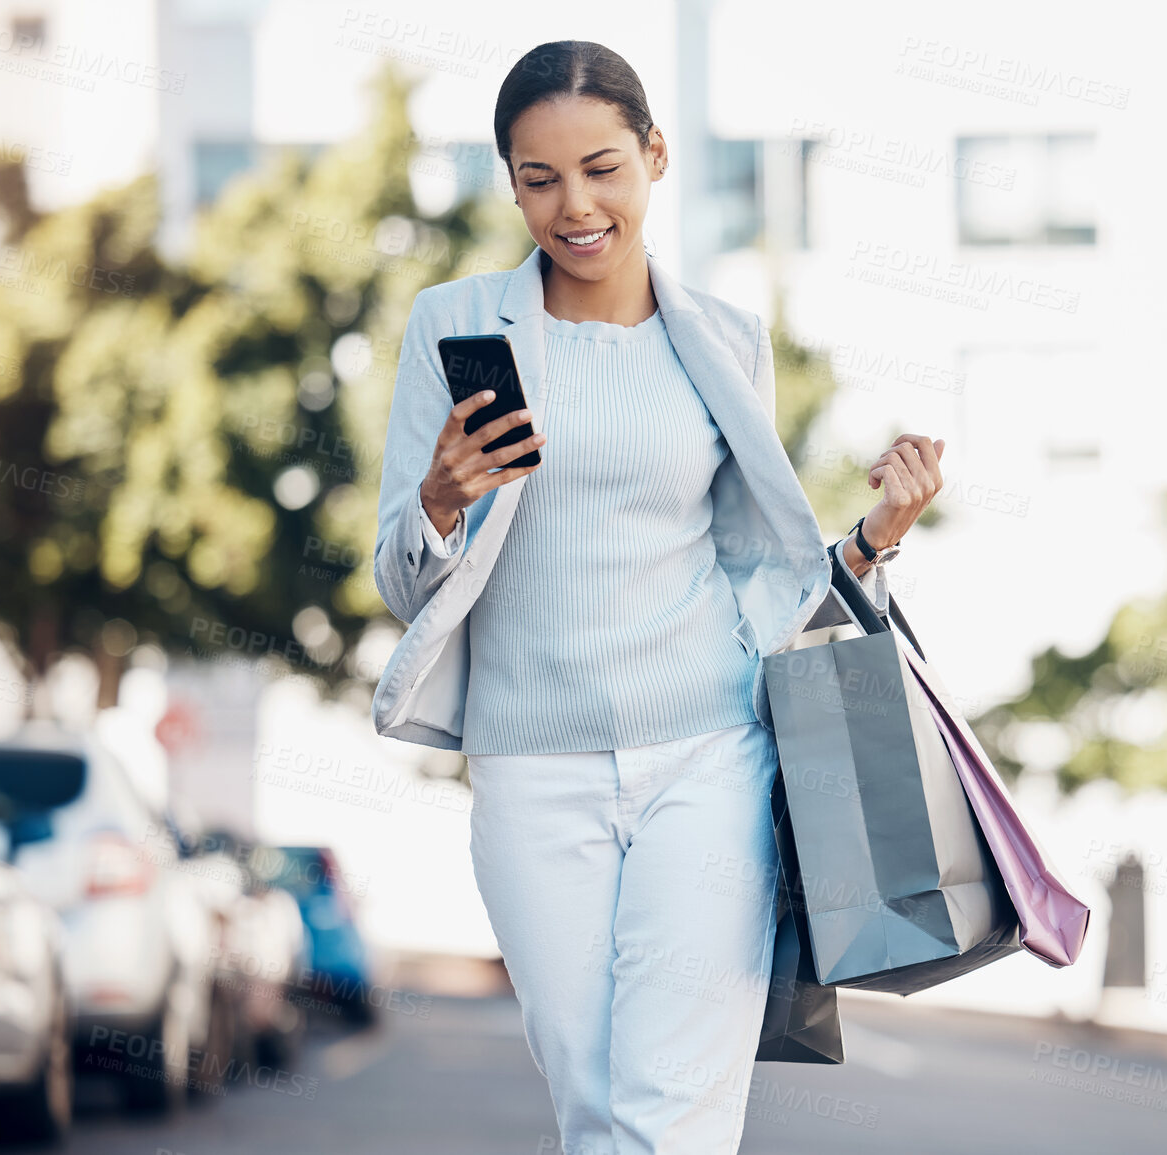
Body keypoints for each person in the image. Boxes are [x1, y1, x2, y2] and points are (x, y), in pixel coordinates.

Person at [377, 39, 947, 1154]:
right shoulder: (452, 329)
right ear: (510, 183)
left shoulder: (726, 342)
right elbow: (406, 587)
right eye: (539, 179)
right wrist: (441, 500)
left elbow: (760, 583)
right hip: (531, 767)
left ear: (655, 156)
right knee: (595, 1108)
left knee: (670, 1114)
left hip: (706, 757)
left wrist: (874, 540)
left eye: (601, 169)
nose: (575, 206)